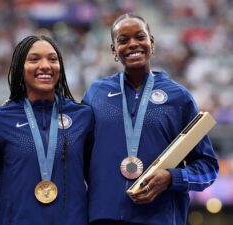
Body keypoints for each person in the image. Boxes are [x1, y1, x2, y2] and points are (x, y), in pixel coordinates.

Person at [82, 14, 219, 225]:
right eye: (123, 40)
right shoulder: (96, 93)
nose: (133, 44)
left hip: (158, 218)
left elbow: (208, 167)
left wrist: (172, 178)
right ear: (113, 50)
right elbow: (77, 154)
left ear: (151, 43)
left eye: (140, 37)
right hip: (103, 217)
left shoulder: (178, 98)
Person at [0, 35, 94, 225]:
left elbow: (95, 173)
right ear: (19, 68)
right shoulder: (0, 118)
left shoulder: (82, 116)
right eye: (34, 59)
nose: (45, 65)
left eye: (53, 59)